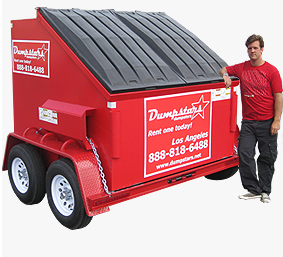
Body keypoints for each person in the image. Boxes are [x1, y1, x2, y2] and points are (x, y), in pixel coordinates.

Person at [220, 34, 283, 203]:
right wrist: (225, 75)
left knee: (267, 157)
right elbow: (223, 69)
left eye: (255, 48)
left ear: (262, 50)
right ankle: (253, 189)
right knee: (244, 153)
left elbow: (279, 97)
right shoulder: (242, 68)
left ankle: (265, 191)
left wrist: (277, 121)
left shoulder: (272, 71)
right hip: (248, 122)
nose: (252, 51)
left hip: (267, 123)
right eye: (250, 48)